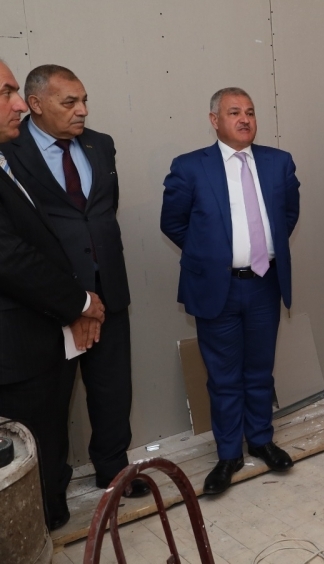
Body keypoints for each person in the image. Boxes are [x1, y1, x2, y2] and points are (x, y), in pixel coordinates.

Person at [3, 65, 148, 498]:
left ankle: (114, 470)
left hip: (108, 290)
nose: (82, 110)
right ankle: (51, 488)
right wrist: (72, 300)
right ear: (35, 104)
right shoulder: (10, 150)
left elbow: (98, 214)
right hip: (51, 301)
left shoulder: (100, 145)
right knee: (50, 402)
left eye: (84, 101)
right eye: (69, 102)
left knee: (112, 390)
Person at [160, 87, 300, 495]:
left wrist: (261, 252)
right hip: (216, 288)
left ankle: (260, 440)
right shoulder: (190, 167)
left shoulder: (278, 162)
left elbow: (288, 215)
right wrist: (212, 255)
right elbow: (173, 223)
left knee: (259, 370)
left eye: (250, 112)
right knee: (223, 377)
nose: (244, 119)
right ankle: (228, 455)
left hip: (264, 284)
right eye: (234, 112)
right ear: (214, 120)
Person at [0, 58, 105, 529]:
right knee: (29, 462)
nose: (18, 105)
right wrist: (79, 303)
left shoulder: (5, 158)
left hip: (36, 338)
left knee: (46, 451)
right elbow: (11, 257)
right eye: (7, 93)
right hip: (16, 352)